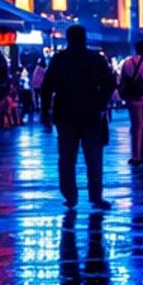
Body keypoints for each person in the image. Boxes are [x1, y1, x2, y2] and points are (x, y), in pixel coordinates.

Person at [39, 26, 116, 207]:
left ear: (68, 38)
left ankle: (70, 195)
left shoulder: (59, 59)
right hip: (91, 113)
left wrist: (45, 111)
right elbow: (109, 83)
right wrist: (100, 103)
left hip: (65, 113)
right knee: (94, 157)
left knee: (67, 157)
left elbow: (47, 87)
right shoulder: (95, 59)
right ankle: (95, 195)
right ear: (85, 38)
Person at [120, 39, 143, 164]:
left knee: (136, 126)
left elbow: (123, 79)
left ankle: (135, 155)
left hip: (132, 98)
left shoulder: (126, 63)